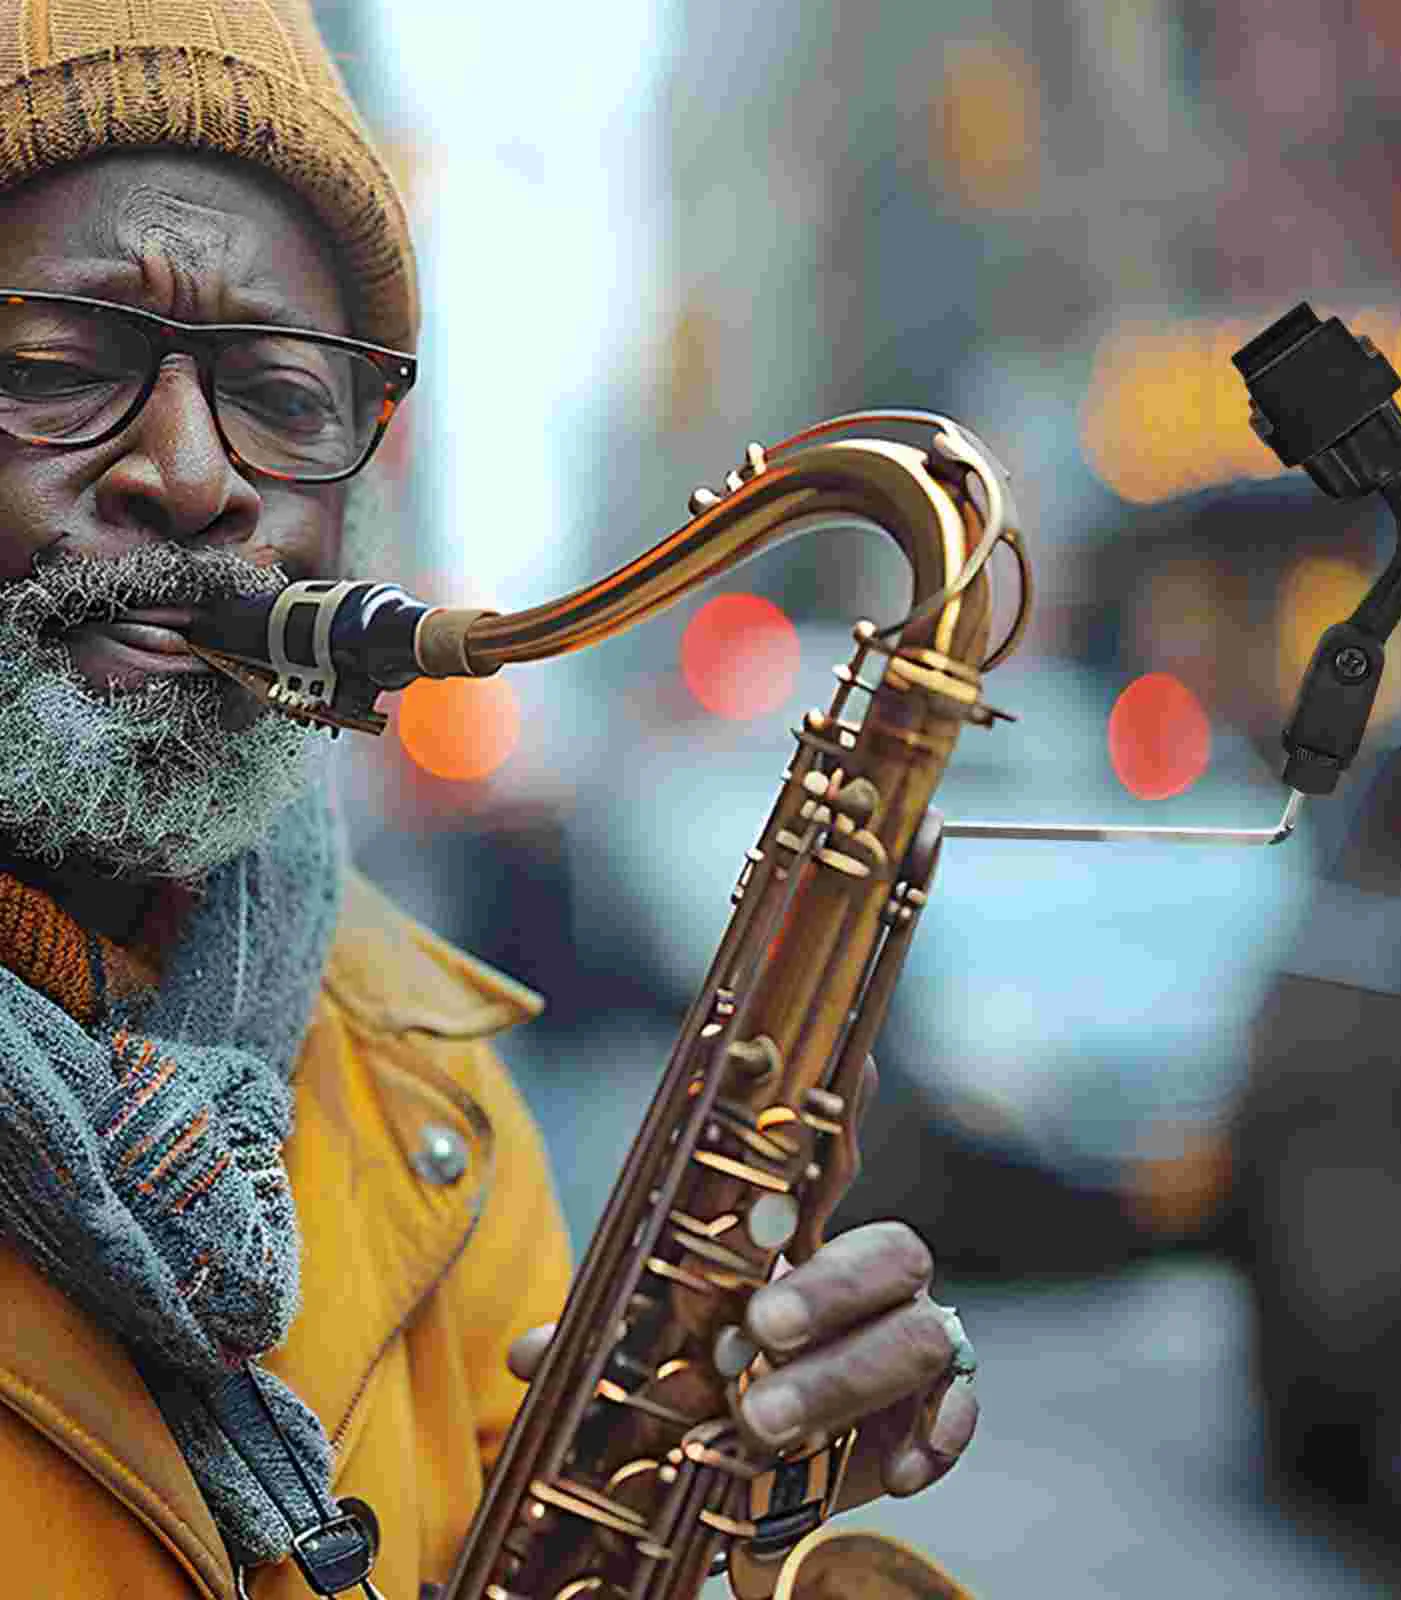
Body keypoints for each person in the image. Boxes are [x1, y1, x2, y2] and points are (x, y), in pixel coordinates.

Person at [0, 4, 980, 1598]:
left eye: (286, 398)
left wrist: (729, 1504)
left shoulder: (430, 1078)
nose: (192, 477)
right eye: (56, 366)